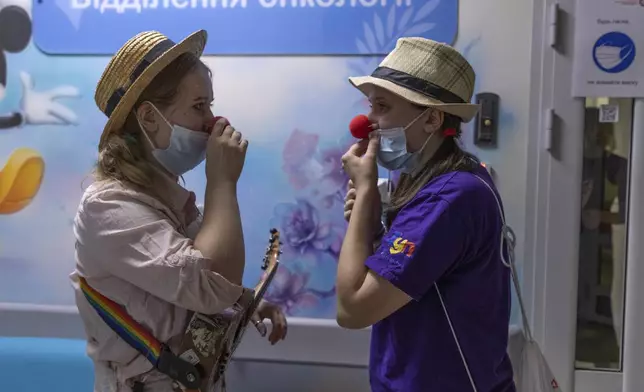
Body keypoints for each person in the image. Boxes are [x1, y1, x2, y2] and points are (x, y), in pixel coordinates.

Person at [69, 30, 287, 392]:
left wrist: (248, 302)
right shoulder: (107, 207)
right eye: (200, 106)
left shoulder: (171, 201)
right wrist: (222, 183)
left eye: (211, 106)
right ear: (150, 118)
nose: (214, 122)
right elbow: (212, 286)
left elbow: (215, 283)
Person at [336, 37, 515, 391]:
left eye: (383, 106)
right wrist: (369, 221)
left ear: (432, 118)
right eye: (370, 105)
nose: (367, 123)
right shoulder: (448, 181)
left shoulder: (448, 200)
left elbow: (352, 309)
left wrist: (367, 190)